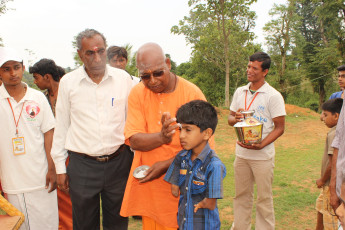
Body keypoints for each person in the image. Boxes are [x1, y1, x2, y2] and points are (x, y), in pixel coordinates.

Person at [120, 42, 211, 230]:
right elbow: (134, 140)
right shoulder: (137, 93)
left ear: (168, 64)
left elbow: (204, 147)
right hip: (151, 185)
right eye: (145, 76)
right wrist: (162, 137)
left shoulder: (192, 93)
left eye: (158, 73)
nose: (152, 80)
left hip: (186, 182)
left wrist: (168, 165)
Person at [50, 29, 134, 230]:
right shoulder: (68, 83)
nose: (97, 58)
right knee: (84, 223)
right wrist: (60, 168)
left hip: (119, 163)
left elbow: (132, 121)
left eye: (101, 51)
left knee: (118, 222)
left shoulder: (123, 79)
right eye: (90, 53)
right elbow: (61, 126)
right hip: (82, 165)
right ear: (80, 54)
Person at [0, 47, 58, 229]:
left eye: (16, 67)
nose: (12, 73)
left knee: (47, 225)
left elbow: (49, 133)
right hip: (12, 182)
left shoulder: (38, 98)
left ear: (23, 68)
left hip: (42, 180)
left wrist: (52, 168)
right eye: (6, 69)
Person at [228, 52, 286, 230]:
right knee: (241, 195)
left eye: (254, 68)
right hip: (242, 154)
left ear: (265, 71)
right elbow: (230, 119)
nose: (249, 71)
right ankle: (240, 227)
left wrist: (262, 144)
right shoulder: (240, 91)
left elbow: (280, 127)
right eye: (248, 66)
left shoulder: (273, 96)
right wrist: (236, 118)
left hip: (263, 156)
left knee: (264, 198)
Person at [164, 100, 226, 230]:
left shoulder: (214, 165)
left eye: (188, 130)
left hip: (204, 226)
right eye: (181, 129)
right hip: (183, 224)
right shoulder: (181, 157)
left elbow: (210, 203)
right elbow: (174, 189)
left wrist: (200, 203)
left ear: (207, 133)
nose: (181, 135)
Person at [29, 58, 72, 230]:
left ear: (47, 77)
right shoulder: (42, 100)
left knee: (70, 197)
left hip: (72, 154)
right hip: (52, 155)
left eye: (37, 78)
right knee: (58, 197)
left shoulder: (68, 93)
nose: (35, 82)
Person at [315, 98, 343, 230]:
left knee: (330, 215)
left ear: (336, 116)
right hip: (327, 186)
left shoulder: (335, 134)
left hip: (329, 185)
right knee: (320, 207)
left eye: (325, 115)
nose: (322, 118)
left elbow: (333, 164)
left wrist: (322, 179)